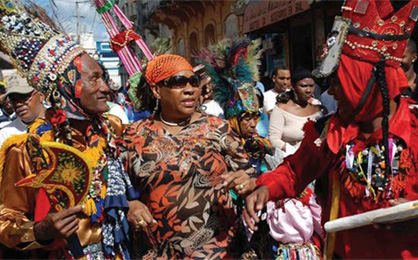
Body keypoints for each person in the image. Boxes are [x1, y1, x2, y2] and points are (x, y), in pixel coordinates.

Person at [245, 0, 418, 259]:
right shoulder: (331, 132)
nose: (331, 92)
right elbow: (294, 172)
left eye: (340, 82)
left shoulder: (414, 126)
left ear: (368, 81)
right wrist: (265, 189)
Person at [0, 6, 134, 259]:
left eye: (104, 77)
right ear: (65, 85)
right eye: (95, 79)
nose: (106, 88)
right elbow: (6, 219)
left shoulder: (113, 130)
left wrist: (134, 202)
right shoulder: (29, 149)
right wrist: (41, 230)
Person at [121, 54, 255, 259]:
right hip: (159, 251)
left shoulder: (217, 128)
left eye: (194, 82)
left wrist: (247, 182)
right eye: (178, 83)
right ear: (157, 90)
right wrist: (130, 204)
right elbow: (115, 187)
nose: (190, 89)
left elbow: (252, 177)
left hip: (219, 250)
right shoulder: (133, 135)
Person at [269, 67, 323, 152]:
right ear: (293, 86)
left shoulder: (319, 109)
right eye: (304, 86)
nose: (308, 90)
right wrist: (293, 151)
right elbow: (273, 139)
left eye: (311, 86)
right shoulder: (281, 109)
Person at [0, 74, 46, 147]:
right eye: (13, 100)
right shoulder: (5, 134)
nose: (18, 104)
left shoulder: (60, 122)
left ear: (41, 95)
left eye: (24, 97)